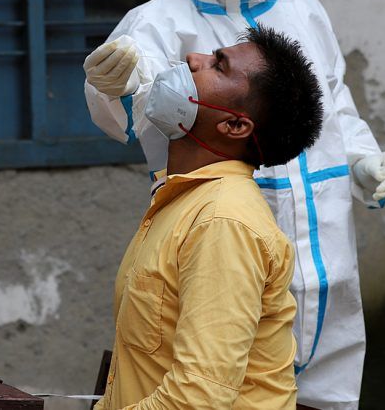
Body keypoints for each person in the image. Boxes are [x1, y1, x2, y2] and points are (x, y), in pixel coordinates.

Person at [84, 0, 385, 409]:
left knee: (318, 390)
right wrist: (107, 84)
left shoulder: (305, 12)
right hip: (224, 245)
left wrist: (362, 159)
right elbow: (134, 102)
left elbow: (335, 105)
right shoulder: (158, 23)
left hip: (325, 250)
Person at [93, 27, 324, 410]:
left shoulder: (223, 221)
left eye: (218, 65)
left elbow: (196, 399)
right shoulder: (183, 198)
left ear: (234, 126)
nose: (192, 59)